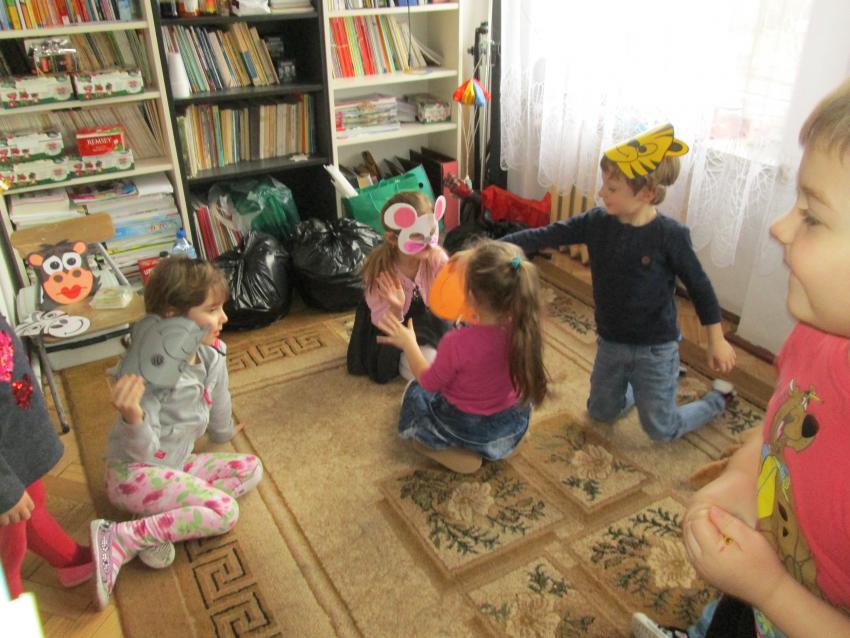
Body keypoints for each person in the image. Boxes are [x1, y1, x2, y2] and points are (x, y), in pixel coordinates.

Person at [634, 80, 850, 638]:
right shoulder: (817, 338)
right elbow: (779, 431)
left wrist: (772, 591)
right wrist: (740, 476)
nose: (780, 227)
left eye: (812, 216)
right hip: (759, 581)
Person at [502, 123, 737, 442]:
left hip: (655, 347)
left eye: (612, 189)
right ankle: (649, 384)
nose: (601, 193)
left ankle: (716, 399)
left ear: (647, 194)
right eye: (604, 185)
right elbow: (546, 235)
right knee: (600, 412)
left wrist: (716, 339)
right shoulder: (596, 223)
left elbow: (700, 288)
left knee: (661, 429)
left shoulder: (670, 236)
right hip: (611, 341)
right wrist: (496, 247)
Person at [94, 257, 263, 609]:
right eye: (212, 310)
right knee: (226, 512)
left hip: (175, 462)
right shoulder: (151, 372)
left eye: (221, 308)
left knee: (251, 468)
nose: (224, 318)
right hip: (133, 472)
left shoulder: (211, 355)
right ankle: (121, 537)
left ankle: (159, 515)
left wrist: (223, 431)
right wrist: (133, 417)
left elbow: (220, 399)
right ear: (173, 316)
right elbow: (142, 454)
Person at [376, 240, 547, 474]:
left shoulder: (456, 343)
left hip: (464, 426)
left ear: (470, 296)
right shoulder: (523, 328)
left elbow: (428, 381)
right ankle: (504, 444)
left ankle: (458, 453)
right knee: (512, 405)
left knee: (414, 392)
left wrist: (410, 344)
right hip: (509, 420)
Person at [0, 313, 97, 599]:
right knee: (9, 553)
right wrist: (5, 489)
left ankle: (70, 561)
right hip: (5, 474)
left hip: (13, 450)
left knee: (32, 506)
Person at [347, 191, 451, 383]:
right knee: (427, 370)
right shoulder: (380, 273)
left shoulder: (435, 259)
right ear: (393, 239)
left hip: (428, 321)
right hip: (394, 326)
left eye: (432, 233)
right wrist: (396, 307)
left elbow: (449, 303)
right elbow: (386, 326)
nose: (429, 244)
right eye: (418, 236)